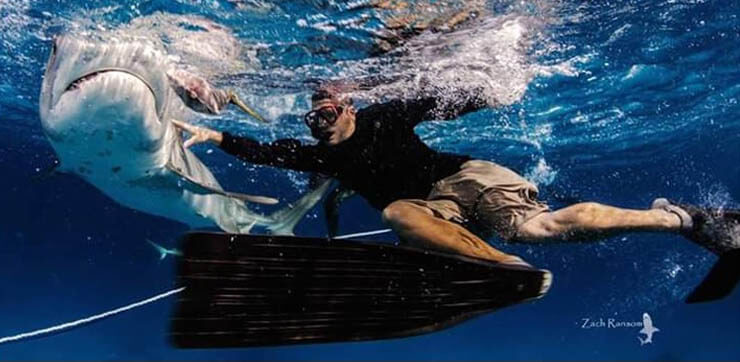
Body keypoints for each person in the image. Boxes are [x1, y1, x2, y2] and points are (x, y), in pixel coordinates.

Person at [172, 88, 738, 266]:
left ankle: (678, 217)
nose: (318, 124)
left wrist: (491, 85)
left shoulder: (383, 115)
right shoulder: (322, 158)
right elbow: (265, 152)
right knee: (398, 214)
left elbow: (440, 100)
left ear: (346, 108)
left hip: (469, 177)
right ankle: (503, 270)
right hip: (431, 210)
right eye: (311, 118)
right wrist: (215, 136)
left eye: (325, 113)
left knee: (538, 231)